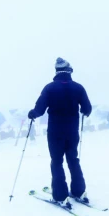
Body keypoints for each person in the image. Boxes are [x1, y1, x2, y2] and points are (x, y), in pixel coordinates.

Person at [27, 57, 92, 208]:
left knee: (57, 162)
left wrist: (32, 114)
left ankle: (60, 196)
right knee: (73, 159)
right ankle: (79, 191)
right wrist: (83, 110)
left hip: (55, 132)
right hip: (72, 131)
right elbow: (87, 109)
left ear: (56, 71)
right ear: (69, 71)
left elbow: (39, 110)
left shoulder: (49, 88)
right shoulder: (78, 87)